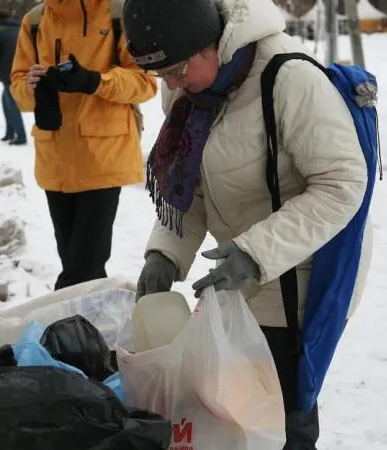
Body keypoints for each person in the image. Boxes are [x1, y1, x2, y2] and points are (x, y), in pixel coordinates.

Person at [125, 0, 372, 448]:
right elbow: (191, 183)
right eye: (162, 76)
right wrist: (165, 253)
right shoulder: (190, 92)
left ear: (213, 43)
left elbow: (343, 184)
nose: (173, 85)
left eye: (178, 70)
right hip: (242, 273)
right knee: (236, 411)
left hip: (302, 269)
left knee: (280, 417)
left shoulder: (288, 79)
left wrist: (256, 253)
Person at [10, 0, 157, 291]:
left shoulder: (119, 13)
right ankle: (89, 329)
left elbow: (146, 83)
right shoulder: (35, 20)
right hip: (55, 162)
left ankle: (64, 327)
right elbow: (18, 91)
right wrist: (31, 86)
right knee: (79, 268)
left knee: (81, 269)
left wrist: (94, 81)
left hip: (104, 159)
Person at [0, 10, 27, 145]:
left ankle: (20, 136)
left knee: (12, 103)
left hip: (7, 72)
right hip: (20, 70)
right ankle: (10, 132)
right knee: (5, 101)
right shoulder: (20, 29)